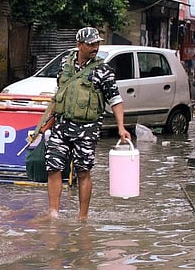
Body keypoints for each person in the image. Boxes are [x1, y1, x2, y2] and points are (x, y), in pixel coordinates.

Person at [31, 27, 130, 221]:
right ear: (79, 45)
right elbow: (60, 92)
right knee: (53, 167)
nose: (95, 47)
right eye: (91, 44)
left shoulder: (103, 70)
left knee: (83, 171)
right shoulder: (65, 64)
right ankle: (53, 213)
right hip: (61, 125)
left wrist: (121, 127)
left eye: (97, 43)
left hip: (87, 129)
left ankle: (82, 217)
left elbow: (115, 100)